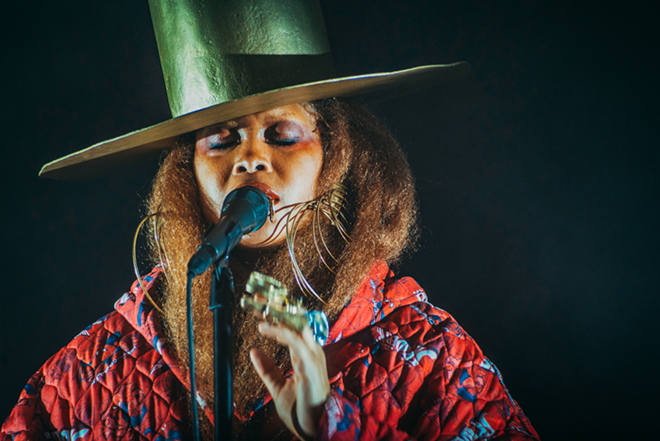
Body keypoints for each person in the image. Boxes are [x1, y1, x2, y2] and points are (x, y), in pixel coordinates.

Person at [2, 1, 539, 440]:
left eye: (282, 134)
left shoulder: (429, 357)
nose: (250, 158)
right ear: (186, 170)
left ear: (335, 155)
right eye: (221, 139)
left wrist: (329, 430)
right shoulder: (97, 366)